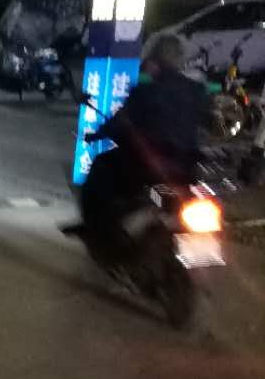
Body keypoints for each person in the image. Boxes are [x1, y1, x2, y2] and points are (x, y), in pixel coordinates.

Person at [81, 33, 208, 243]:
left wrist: (98, 133)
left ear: (154, 60)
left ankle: (97, 229)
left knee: (101, 166)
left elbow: (120, 122)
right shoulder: (196, 90)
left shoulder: (145, 91)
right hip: (187, 165)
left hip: (149, 165)